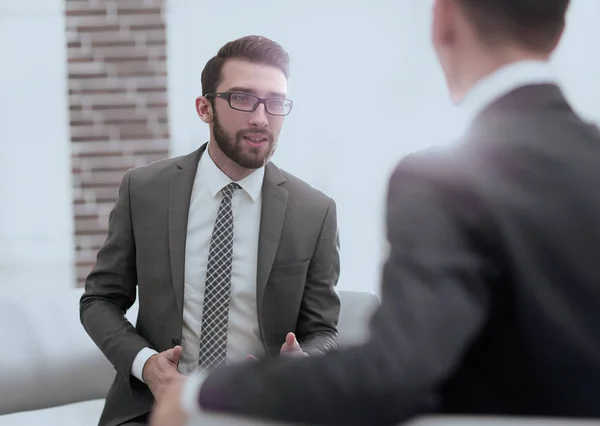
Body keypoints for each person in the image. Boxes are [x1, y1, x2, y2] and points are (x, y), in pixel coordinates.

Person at [150, 0, 600, 425]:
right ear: (558, 31)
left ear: (442, 20)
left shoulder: (442, 179)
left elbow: (394, 375)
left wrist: (202, 393)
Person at [80, 35, 341, 426]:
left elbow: (322, 329)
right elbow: (99, 300)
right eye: (242, 98)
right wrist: (148, 365)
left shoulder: (315, 211)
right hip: (153, 407)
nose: (260, 117)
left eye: (275, 102)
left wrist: (302, 365)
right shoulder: (144, 190)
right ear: (205, 108)